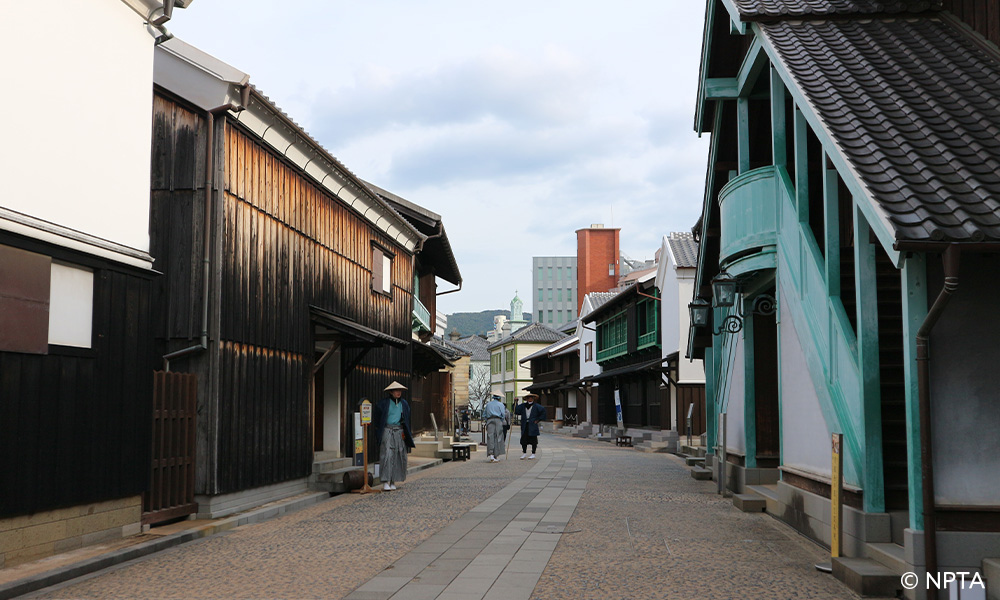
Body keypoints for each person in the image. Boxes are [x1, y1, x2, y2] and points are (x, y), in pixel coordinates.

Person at [374, 381, 415, 491]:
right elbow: (377, 420)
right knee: (386, 454)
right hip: (387, 430)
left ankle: (393, 481)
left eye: (400, 390)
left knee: (399, 454)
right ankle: (385, 481)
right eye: (396, 390)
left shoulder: (404, 404)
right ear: (391, 392)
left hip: (399, 430)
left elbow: (407, 419)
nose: (398, 392)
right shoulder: (383, 404)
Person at [514, 393, 547, 459]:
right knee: (524, 439)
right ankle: (524, 453)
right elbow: (516, 410)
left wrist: (538, 420)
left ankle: (533, 453)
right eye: (528, 398)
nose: (530, 399)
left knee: (533, 439)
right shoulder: (523, 406)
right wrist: (515, 402)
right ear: (526, 399)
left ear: (533, 399)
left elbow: (543, 411)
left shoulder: (537, 406)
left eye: (531, 398)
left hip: (533, 424)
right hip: (525, 424)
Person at [482, 395, 507, 462]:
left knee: (490, 437)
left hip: (490, 420)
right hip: (498, 420)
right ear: (499, 398)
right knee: (498, 437)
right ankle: (496, 454)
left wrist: (487, 420)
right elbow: (503, 414)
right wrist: (501, 420)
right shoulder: (501, 404)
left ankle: (491, 455)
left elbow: (484, 414)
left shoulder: (488, 404)